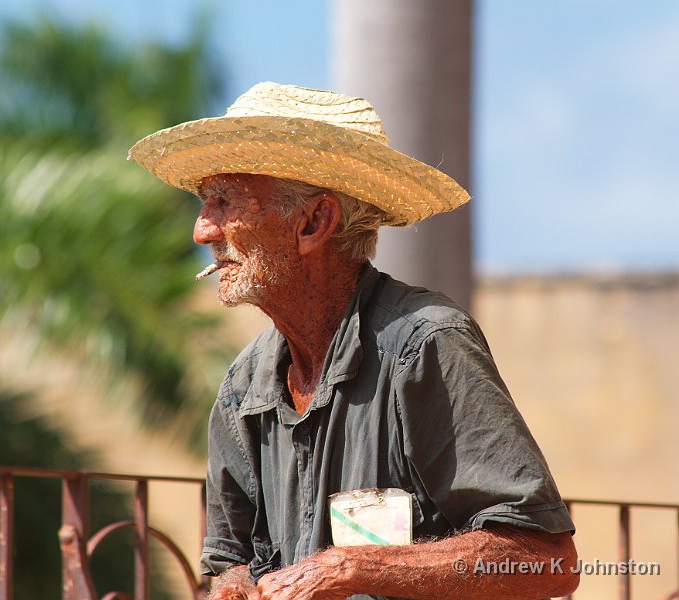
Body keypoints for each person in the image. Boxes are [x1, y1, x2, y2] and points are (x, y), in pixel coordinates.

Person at [129, 82, 579, 600]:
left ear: (315, 222)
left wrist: (353, 569)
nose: (203, 231)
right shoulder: (245, 384)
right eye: (206, 203)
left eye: (225, 201)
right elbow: (228, 563)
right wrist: (233, 589)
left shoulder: (423, 345)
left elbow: (546, 560)